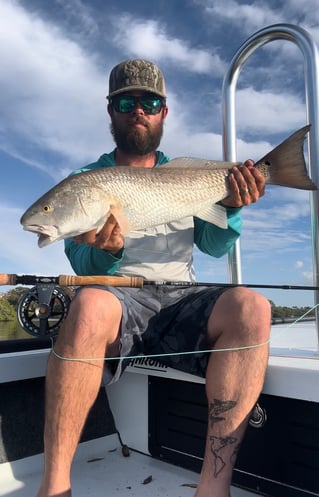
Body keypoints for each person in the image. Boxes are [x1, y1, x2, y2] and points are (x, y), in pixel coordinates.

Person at [36, 59, 271, 497]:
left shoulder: (188, 175)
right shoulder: (83, 182)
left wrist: (234, 205)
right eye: (127, 101)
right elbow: (82, 266)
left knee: (252, 307)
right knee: (88, 304)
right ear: (111, 111)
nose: (138, 110)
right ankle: (54, 488)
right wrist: (107, 254)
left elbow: (215, 246)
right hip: (118, 301)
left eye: (150, 102)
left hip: (183, 297)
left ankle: (212, 489)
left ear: (164, 111)